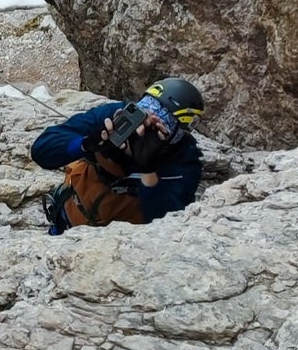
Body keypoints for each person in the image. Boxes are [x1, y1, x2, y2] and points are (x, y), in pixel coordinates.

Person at [31, 77, 205, 233]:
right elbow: (42, 150)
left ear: (177, 134)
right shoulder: (114, 116)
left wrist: (148, 171)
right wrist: (86, 143)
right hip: (69, 222)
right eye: (141, 113)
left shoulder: (183, 160)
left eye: (157, 125)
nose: (142, 127)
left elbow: (166, 222)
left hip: (117, 242)